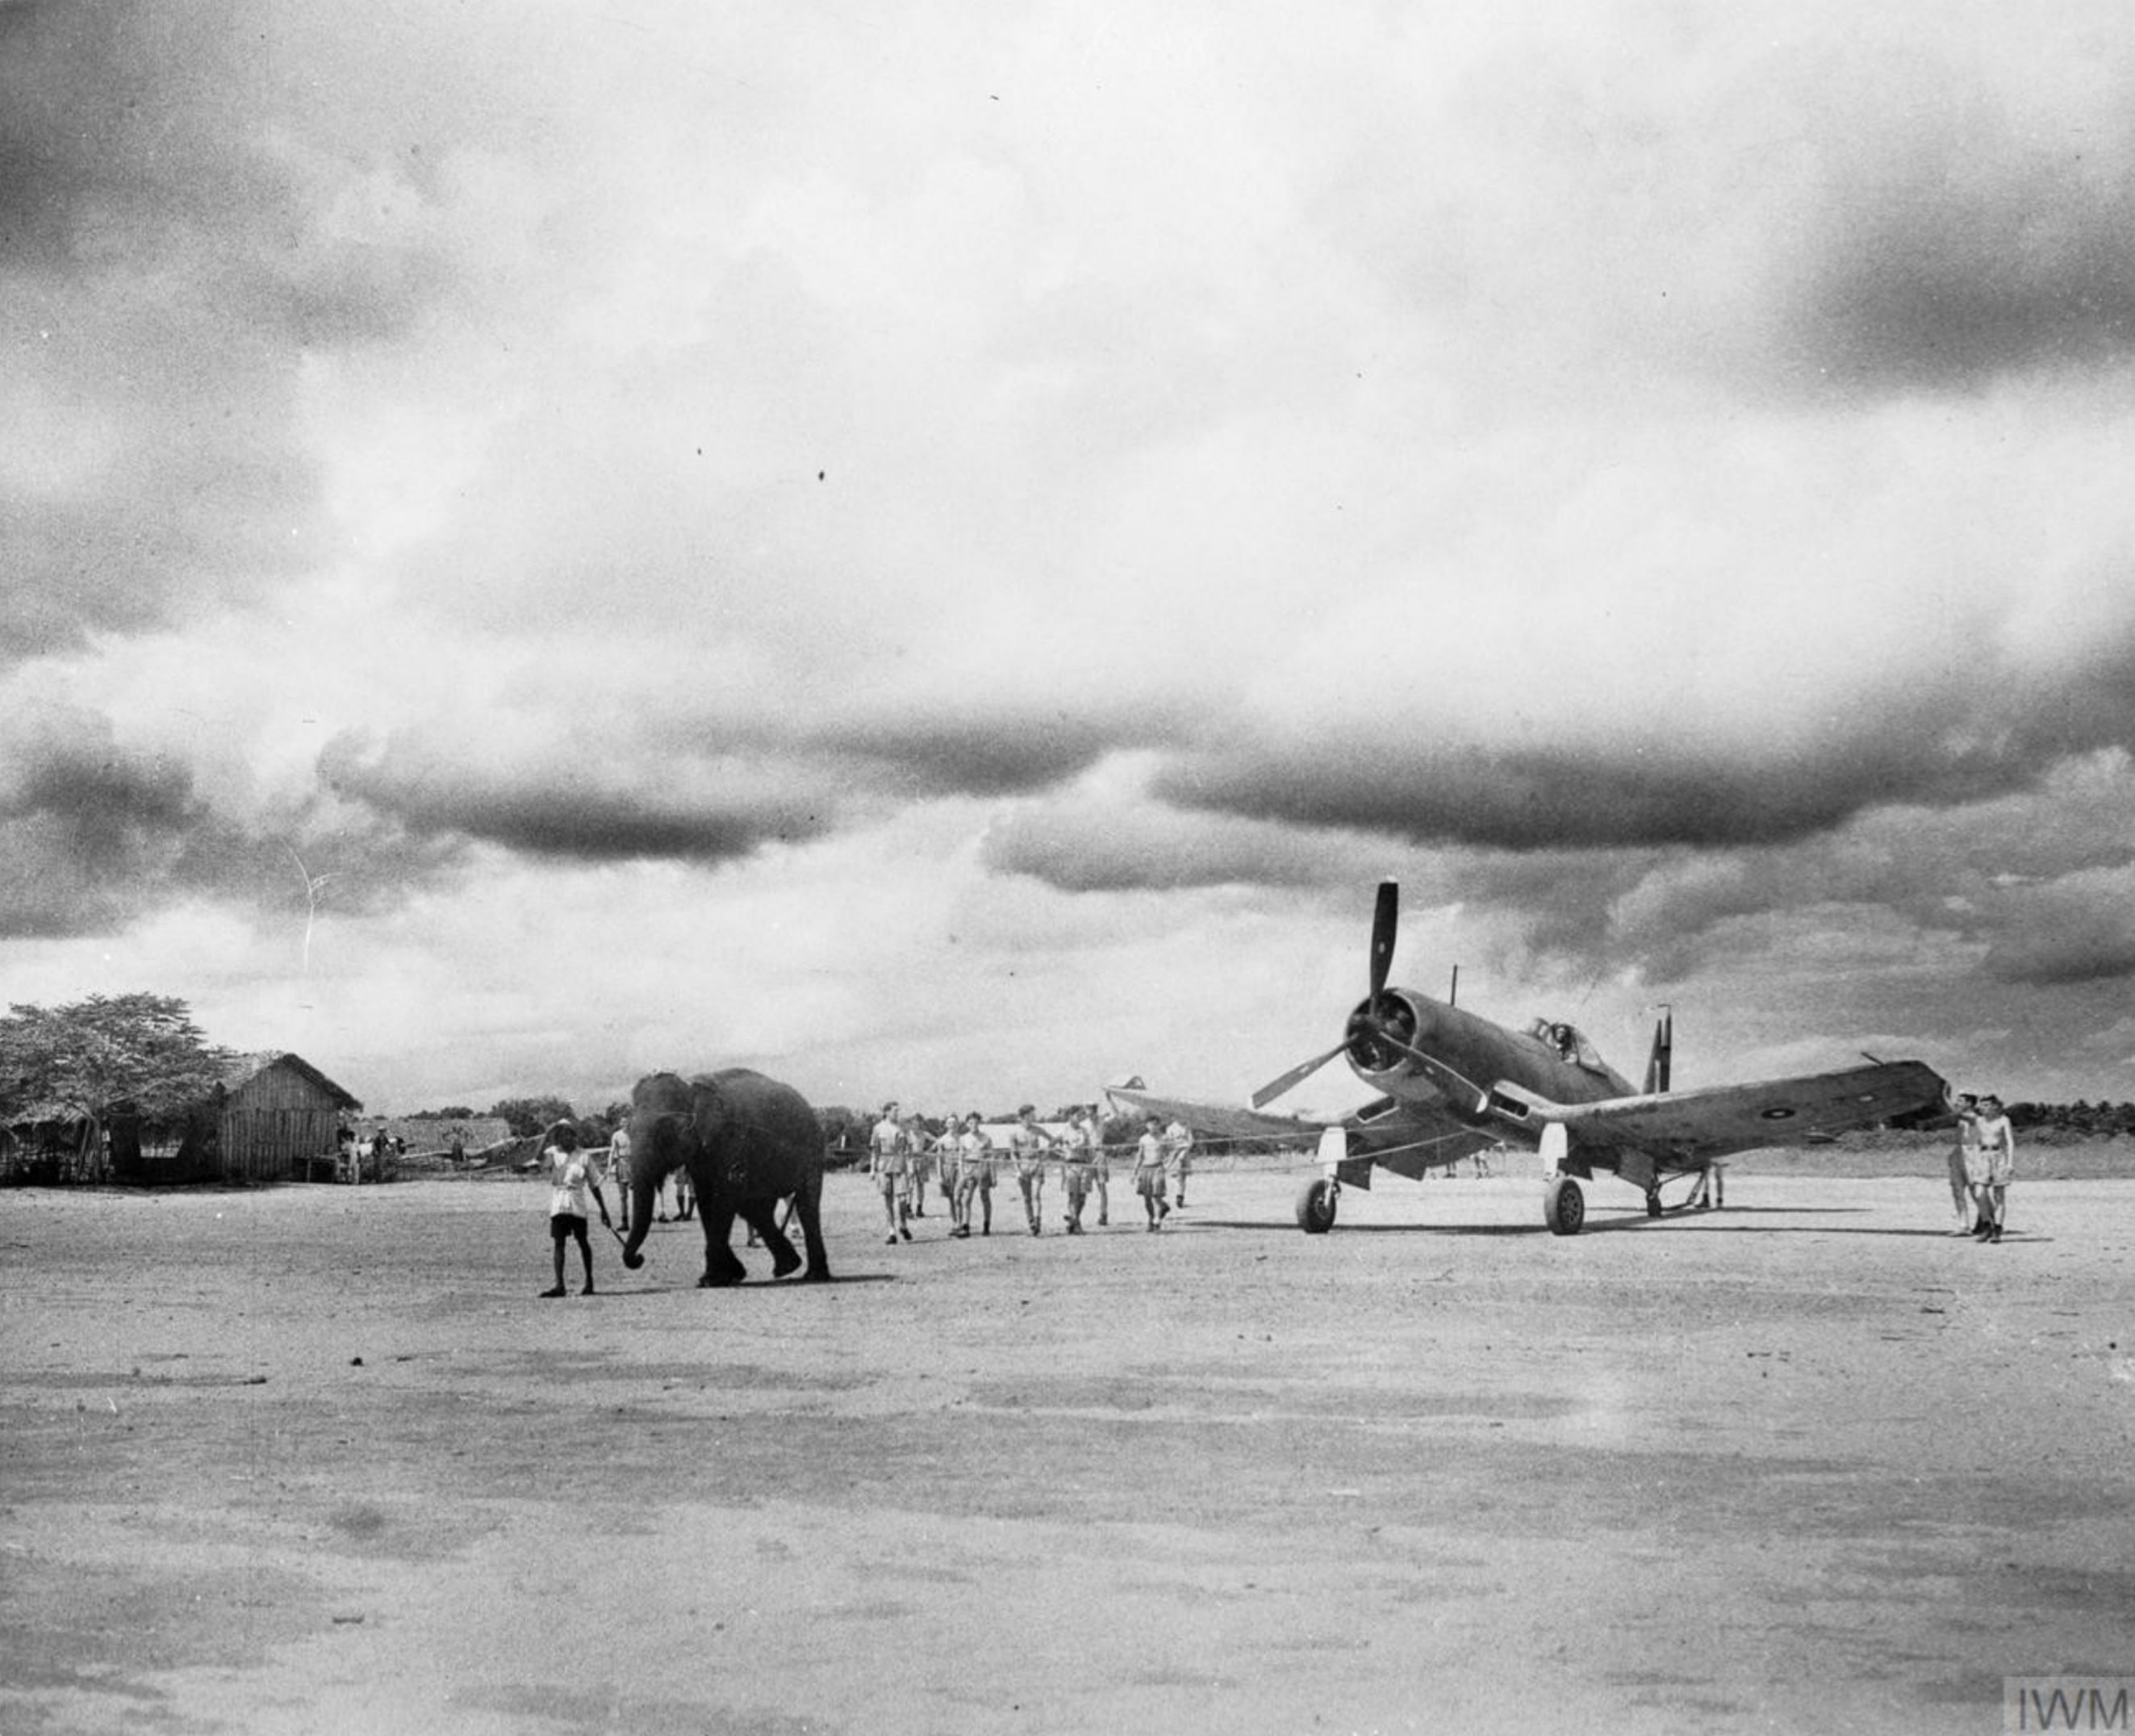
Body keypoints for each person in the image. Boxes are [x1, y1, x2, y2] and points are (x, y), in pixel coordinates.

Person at [539, 1120, 612, 1298]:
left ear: (574, 1136)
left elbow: (594, 1184)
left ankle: (589, 1282)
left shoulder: (584, 1156)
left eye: (568, 1135)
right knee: (559, 1243)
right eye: (561, 1136)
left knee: (583, 1242)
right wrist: (546, 1135)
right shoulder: (553, 1153)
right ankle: (559, 1285)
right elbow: (538, 1158)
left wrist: (603, 1210)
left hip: (577, 1203)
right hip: (559, 1202)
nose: (565, 1139)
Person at [1974, 1095, 2015, 1242]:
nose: (1982, 1108)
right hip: (1983, 1156)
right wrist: (1974, 1161)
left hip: (1999, 1157)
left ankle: (1997, 1229)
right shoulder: (1979, 1121)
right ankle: (1986, 1226)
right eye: (1981, 1105)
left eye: (1986, 1105)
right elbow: (1975, 1142)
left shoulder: (2004, 1120)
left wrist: (2010, 1163)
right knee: (1979, 1193)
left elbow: (2010, 1142)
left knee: (1999, 1196)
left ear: (1995, 1106)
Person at [871, 1101, 910, 1244]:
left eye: (898, 1111)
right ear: (886, 1112)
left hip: (899, 1165)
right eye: (894, 1111)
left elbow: (907, 1148)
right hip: (884, 1165)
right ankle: (891, 1231)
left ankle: (903, 1225)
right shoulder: (878, 1128)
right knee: (888, 1201)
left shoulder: (902, 1128)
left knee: (903, 1200)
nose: (897, 1113)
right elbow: (875, 1150)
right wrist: (872, 1169)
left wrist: (908, 1162)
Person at [1009, 1104, 1052, 1236]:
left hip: (1036, 1163)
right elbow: (1013, 1153)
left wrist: (1045, 1153)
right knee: (1027, 1197)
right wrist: (1017, 1170)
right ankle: (1031, 1223)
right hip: (1023, 1165)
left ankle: (1038, 1221)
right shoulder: (1015, 1133)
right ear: (1025, 1116)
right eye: (1032, 1114)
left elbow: (1052, 1140)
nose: (1034, 1116)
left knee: (1037, 1195)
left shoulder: (1037, 1129)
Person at [954, 1112, 994, 1237]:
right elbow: (960, 1157)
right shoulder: (963, 1138)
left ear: (979, 1123)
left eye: (976, 1123)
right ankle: (966, 1226)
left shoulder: (986, 1138)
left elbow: (991, 1157)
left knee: (985, 1198)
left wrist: (993, 1175)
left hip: (982, 1168)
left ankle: (986, 1225)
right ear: (967, 1124)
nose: (974, 1125)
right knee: (966, 1198)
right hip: (968, 1169)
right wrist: (962, 1173)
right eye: (971, 1123)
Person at [1060, 1106, 1096, 1234]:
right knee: (1072, 1195)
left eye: (1081, 1115)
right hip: (1071, 1164)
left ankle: (1074, 1220)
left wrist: (1092, 1162)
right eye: (1077, 1115)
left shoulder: (1085, 1130)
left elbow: (1088, 1147)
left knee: (1082, 1196)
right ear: (1070, 1116)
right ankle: (1077, 1224)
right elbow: (1063, 1144)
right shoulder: (1065, 1130)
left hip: (1084, 1164)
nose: (1080, 1118)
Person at [1947, 1094, 1978, 1234]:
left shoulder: (1975, 1117)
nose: (1957, 1103)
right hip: (1959, 1151)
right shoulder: (1962, 1118)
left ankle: (1986, 1221)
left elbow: (1959, 1114)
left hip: (1971, 1153)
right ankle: (1963, 1225)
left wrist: (1942, 1097)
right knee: (1957, 1190)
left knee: (1975, 1191)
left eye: (1960, 1101)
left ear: (1970, 1103)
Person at [1134, 1115, 1170, 1230]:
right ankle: (1151, 1217)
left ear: (1159, 1125)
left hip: (1158, 1168)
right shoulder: (1143, 1139)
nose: (1153, 1127)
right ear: (1146, 1125)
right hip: (1145, 1169)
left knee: (1156, 1196)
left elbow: (1173, 1151)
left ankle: (1157, 1221)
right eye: (1150, 1124)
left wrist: (1168, 1163)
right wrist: (1134, 1173)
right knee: (1147, 1198)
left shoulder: (1164, 1138)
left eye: (1155, 1124)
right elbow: (1139, 1156)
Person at [608, 1118, 635, 1234]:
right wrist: (610, 1166)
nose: (626, 1125)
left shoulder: (635, 1135)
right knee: (623, 1196)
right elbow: (612, 1151)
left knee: (637, 1195)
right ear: (620, 1124)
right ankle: (625, 1222)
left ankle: (638, 1223)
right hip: (621, 1164)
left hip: (634, 1165)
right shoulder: (616, 1135)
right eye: (624, 1122)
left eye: (628, 1122)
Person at [1164, 1116, 1195, 1209]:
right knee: (1174, 1175)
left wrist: (1185, 1151)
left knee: (1182, 1176)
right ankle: (1168, 1197)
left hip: (1184, 1151)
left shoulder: (1186, 1126)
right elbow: (1168, 1142)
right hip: (1174, 1152)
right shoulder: (1170, 1128)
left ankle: (1180, 1196)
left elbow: (1191, 1140)